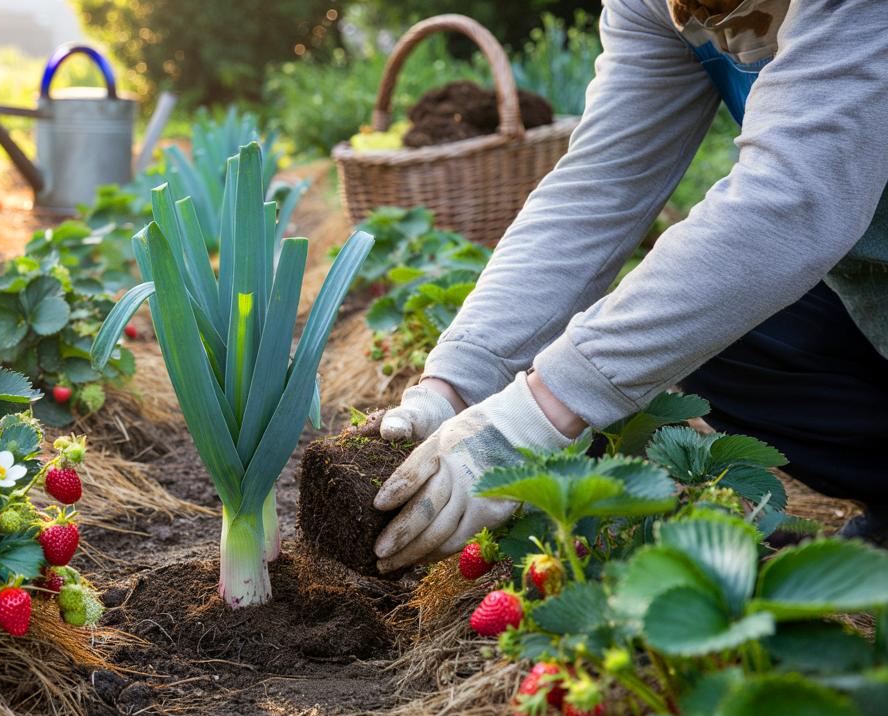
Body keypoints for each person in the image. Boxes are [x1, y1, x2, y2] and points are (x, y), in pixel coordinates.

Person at [371, 0, 888, 574]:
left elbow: (793, 198)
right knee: (714, 327)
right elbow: (599, 189)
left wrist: (533, 416)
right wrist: (455, 384)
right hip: (865, 288)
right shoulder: (651, 6)